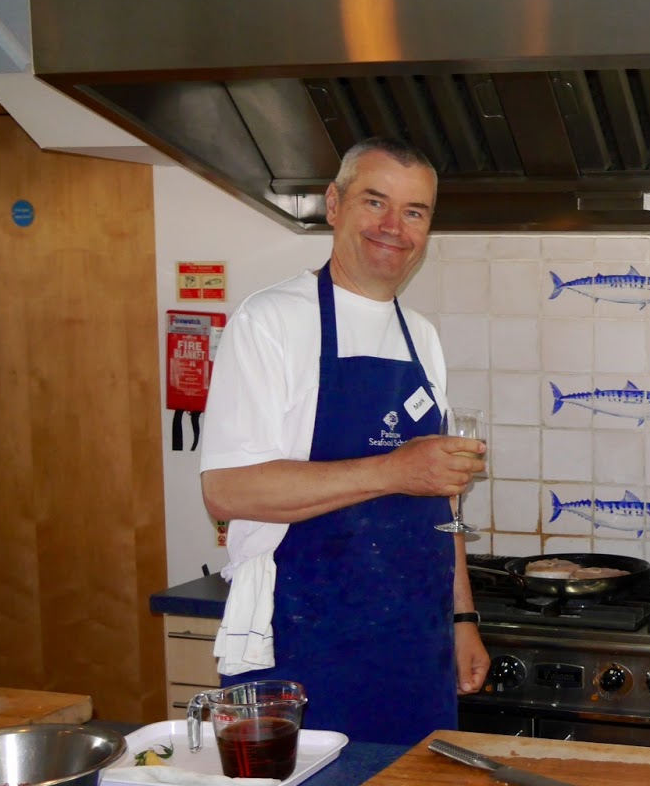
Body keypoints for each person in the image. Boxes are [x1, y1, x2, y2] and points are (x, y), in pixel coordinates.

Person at [200, 136, 489, 745]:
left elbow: (443, 503)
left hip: (415, 652)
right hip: (302, 652)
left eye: (415, 212)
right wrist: (395, 470)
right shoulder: (270, 322)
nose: (394, 227)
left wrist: (462, 616)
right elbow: (226, 491)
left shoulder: (423, 338)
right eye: (375, 202)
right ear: (334, 205)